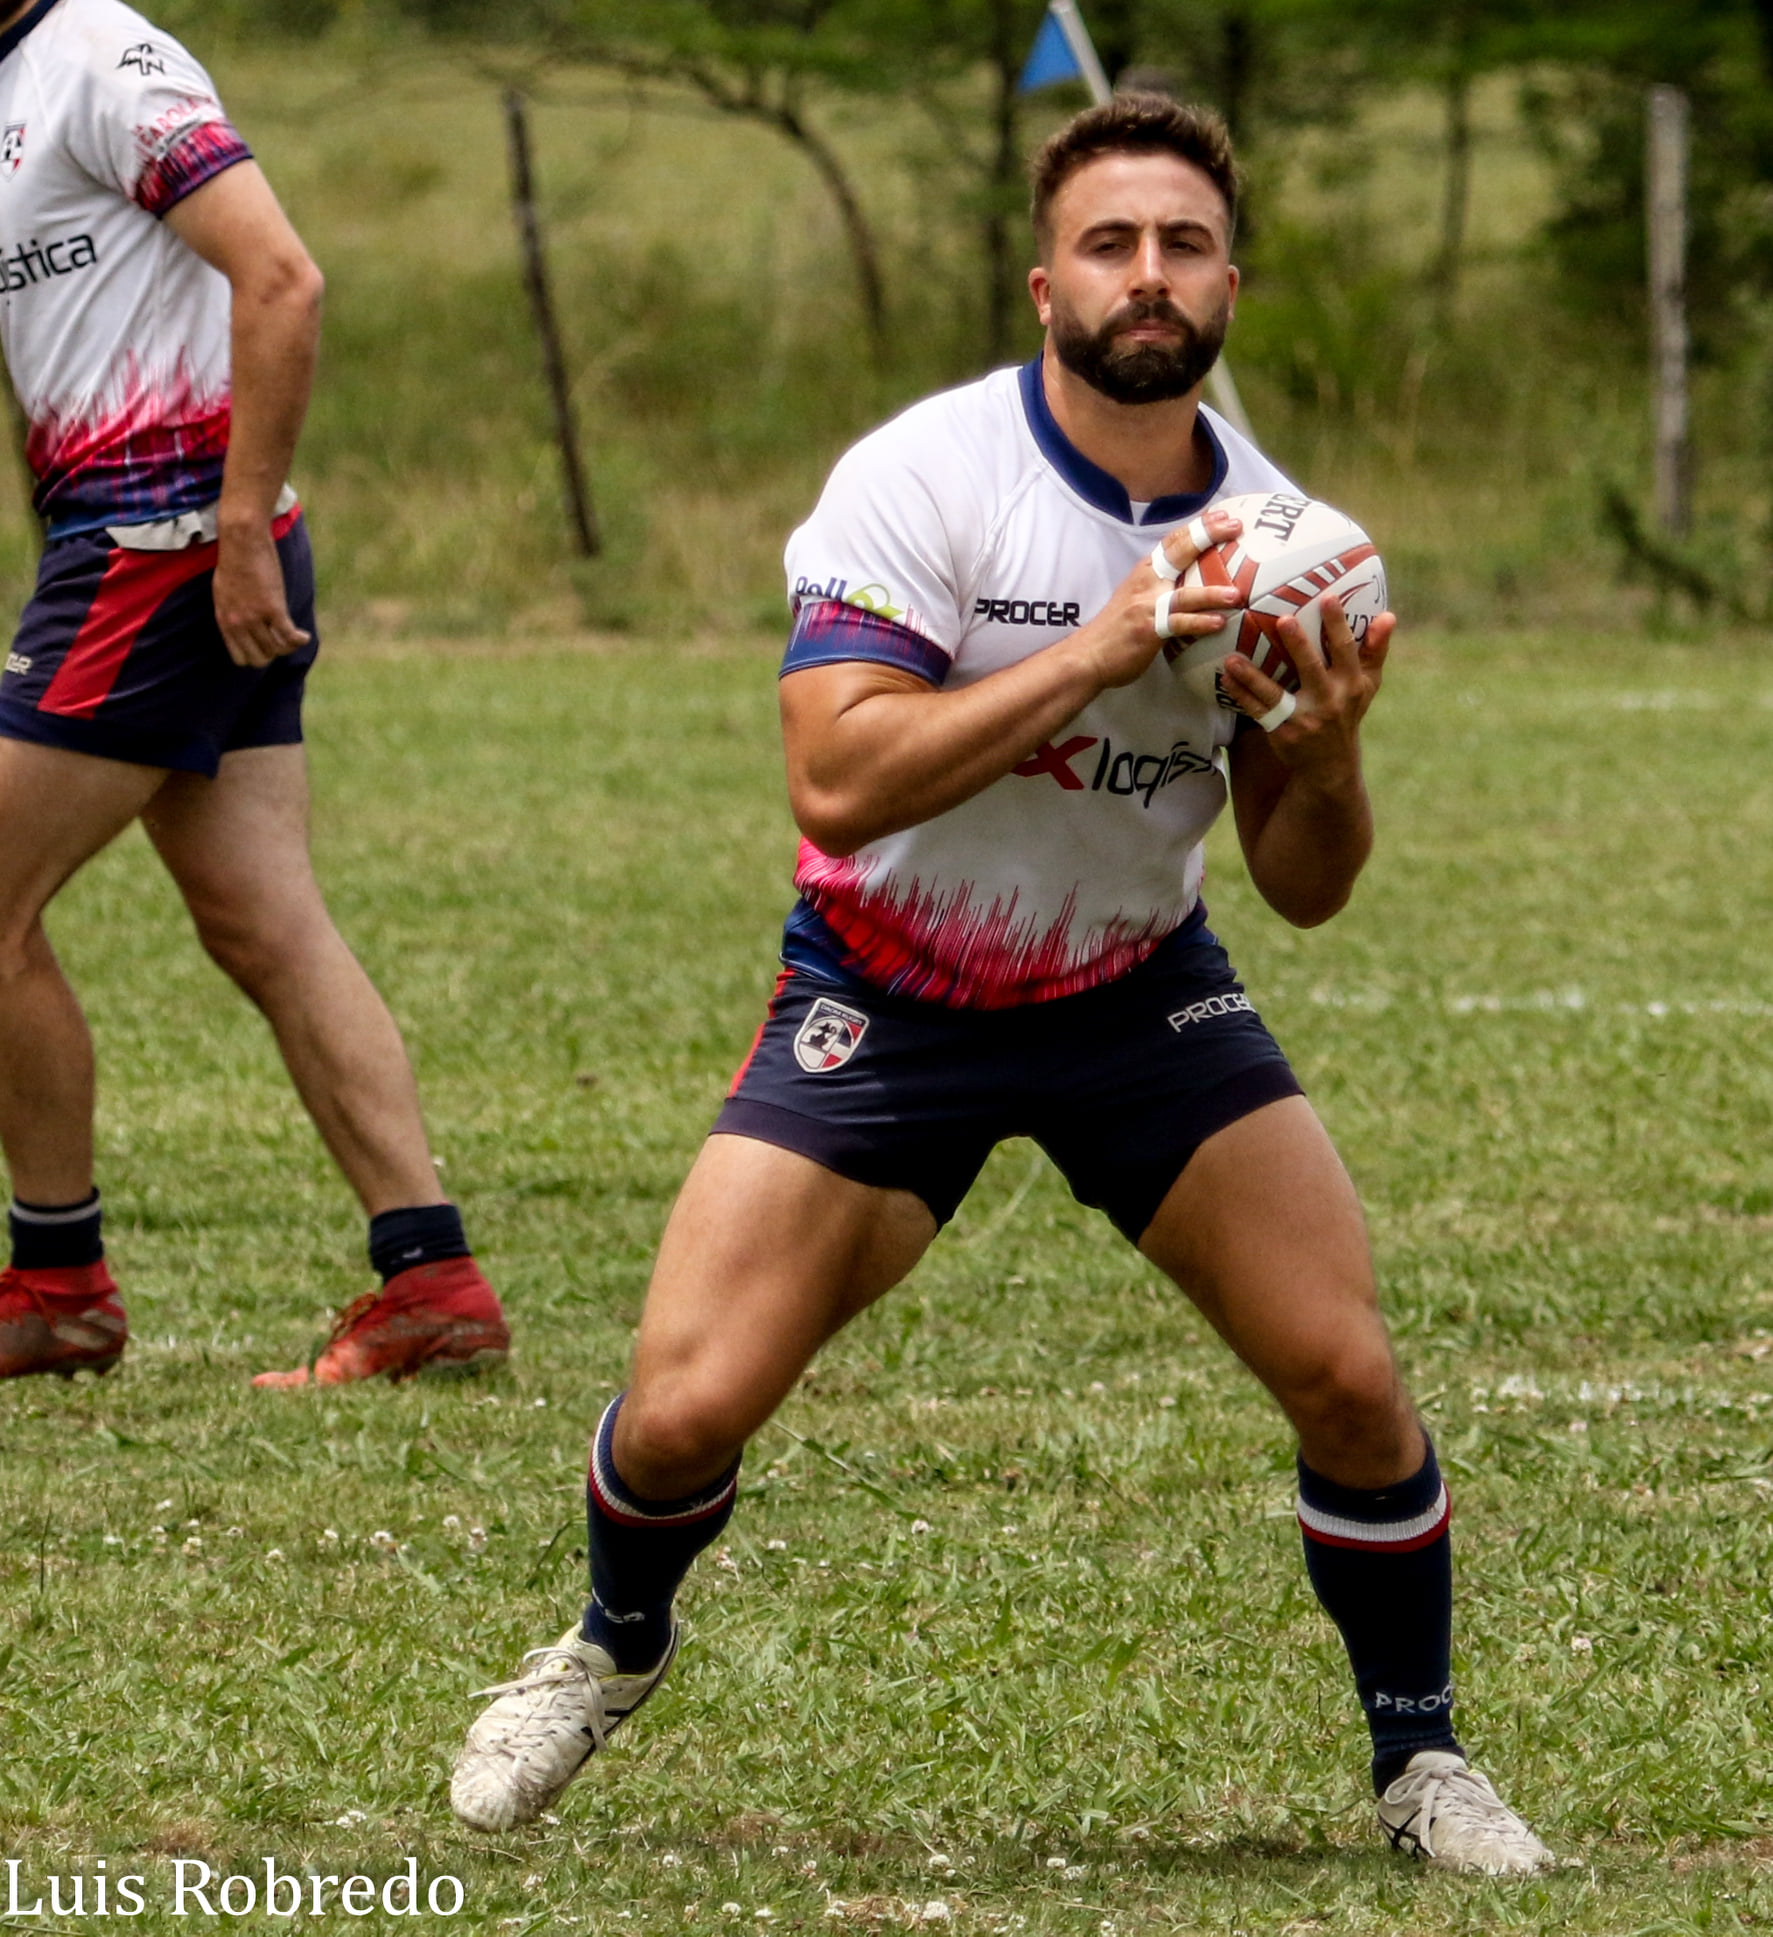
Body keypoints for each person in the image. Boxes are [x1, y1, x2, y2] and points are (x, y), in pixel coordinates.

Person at [451, 95, 1545, 1873]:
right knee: (681, 1411)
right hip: (887, 994)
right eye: (1111, 242)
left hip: (1136, 996)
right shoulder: (924, 478)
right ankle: (610, 1643)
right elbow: (839, 780)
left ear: (1229, 287)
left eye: (1182, 243)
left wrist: (1328, 755)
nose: (1146, 274)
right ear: (1045, 279)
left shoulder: (1296, 546)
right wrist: (1108, 641)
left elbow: (1306, 888)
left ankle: (1420, 1761)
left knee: (1346, 1372)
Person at [0, 0, 508, 1387]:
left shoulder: (103, 55)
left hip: (166, 535)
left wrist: (232, 525)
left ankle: (56, 1279)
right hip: (131, 539)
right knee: (263, 919)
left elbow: (281, 276)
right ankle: (433, 1282)